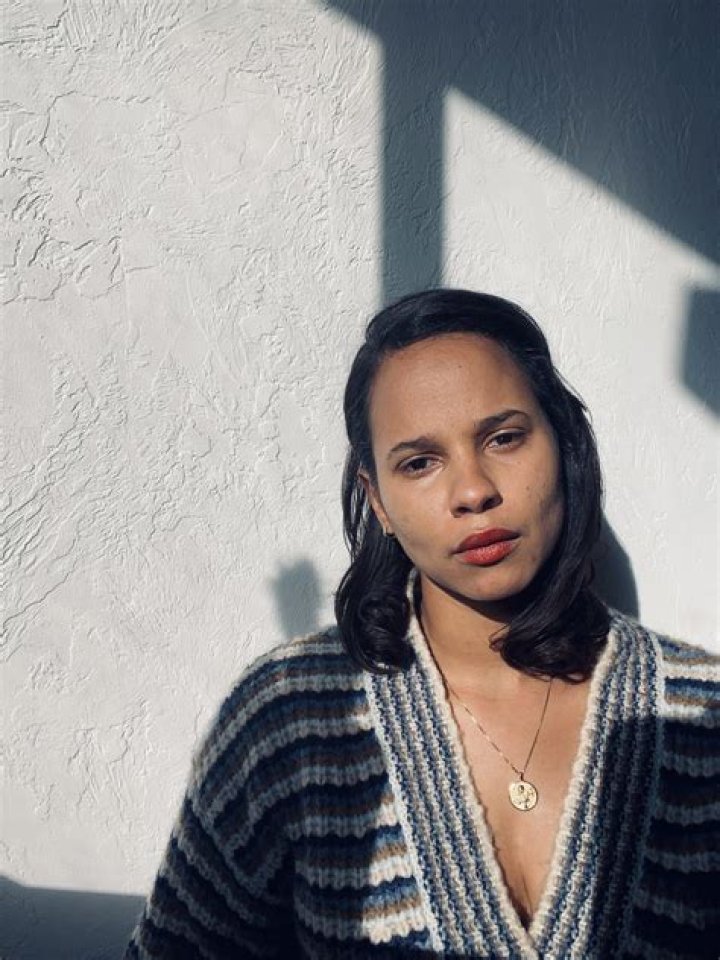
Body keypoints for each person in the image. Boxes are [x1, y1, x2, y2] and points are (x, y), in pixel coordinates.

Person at [125, 290, 718, 959]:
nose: (473, 491)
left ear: (564, 443)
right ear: (377, 499)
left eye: (503, 438)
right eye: (419, 462)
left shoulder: (700, 715)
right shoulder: (292, 717)